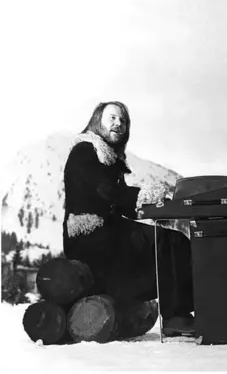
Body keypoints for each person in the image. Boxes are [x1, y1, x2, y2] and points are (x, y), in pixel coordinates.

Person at [63, 101, 195, 336]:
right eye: (112, 118)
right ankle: (176, 316)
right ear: (97, 121)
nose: (118, 124)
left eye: (123, 121)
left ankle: (177, 313)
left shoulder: (107, 156)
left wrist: (152, 204)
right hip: (91, 236)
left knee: (172, 241)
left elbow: (119, 200)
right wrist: (143, 196)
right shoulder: (85, 151)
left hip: (107, 231)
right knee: (170, 242)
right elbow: (105, 192)